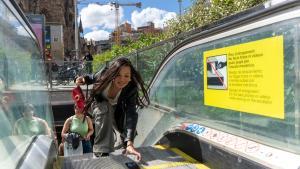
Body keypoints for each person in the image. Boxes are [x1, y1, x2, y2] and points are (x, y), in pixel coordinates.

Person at [75, 57, 150, 160]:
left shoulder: (130, 88)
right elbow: (92, 77)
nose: (122, 79)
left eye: (126, 76)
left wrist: (130, 143)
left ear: (130, 77)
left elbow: (131, 113)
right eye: (118, 75)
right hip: (97, 104)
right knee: (106, 108)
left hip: (116, 109)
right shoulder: (103, 76)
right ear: (113, 74)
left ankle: (125, 147)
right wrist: (84, 79)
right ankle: (101, 151)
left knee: (122, 124)